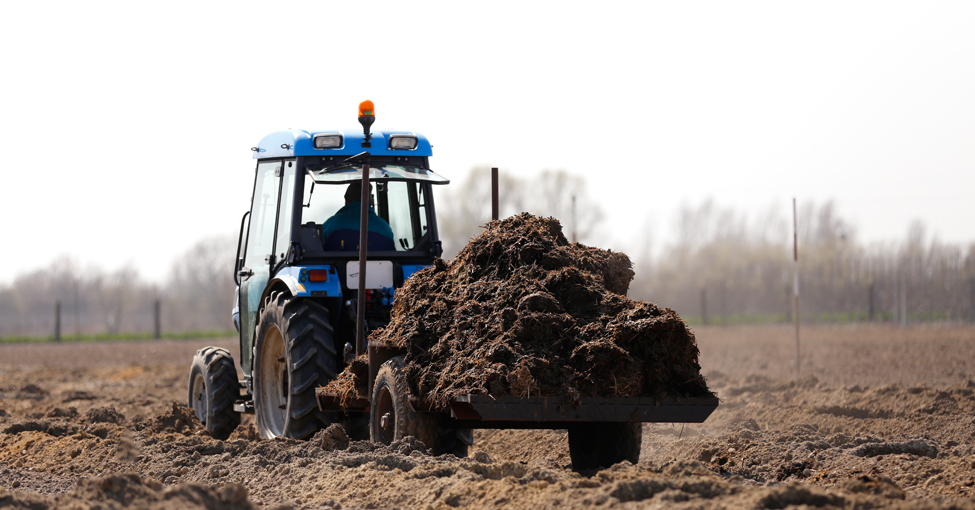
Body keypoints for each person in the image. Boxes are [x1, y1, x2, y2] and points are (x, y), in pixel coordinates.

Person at [322, 182, 395, 251]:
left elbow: (317, 250)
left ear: (346, 201)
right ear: (371, 203)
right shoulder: (385, 228)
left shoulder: (330, 225)